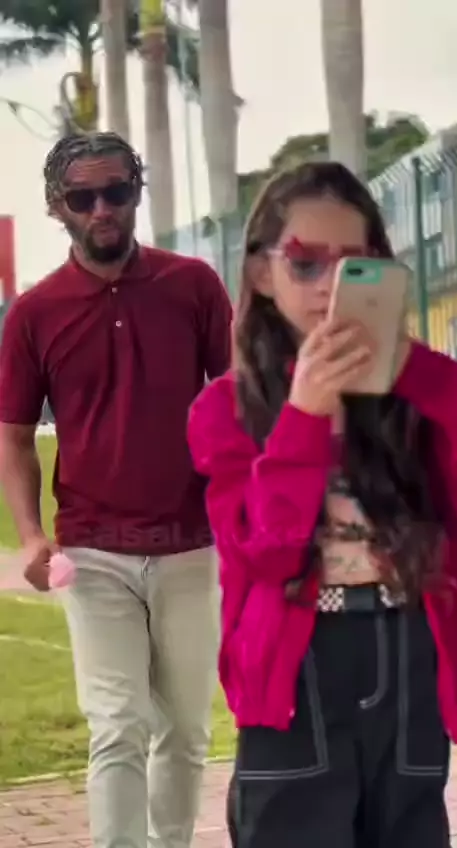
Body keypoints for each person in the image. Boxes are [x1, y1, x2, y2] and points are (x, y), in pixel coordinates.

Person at [187, 160, 457, 848]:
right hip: (300, 667)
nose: (330, 286)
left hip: (408, 653)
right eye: (306, 263)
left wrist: (415, 370)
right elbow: (263, 549)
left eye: (355, 265)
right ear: (262, 273)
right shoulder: (225, 408)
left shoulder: (416, 397)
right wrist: (305, 417)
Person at [0, 131, 232, 848]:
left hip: (191, 545)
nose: (102, 208)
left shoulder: (194, 285)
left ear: (136, 192)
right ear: (56, 207)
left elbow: (233, 403)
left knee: (186, 731)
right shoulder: (34, 313)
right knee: (118, 724)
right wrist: (32, 535)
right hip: (93, 551)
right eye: (83, 197)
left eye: (116, 191)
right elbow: (13, 436)